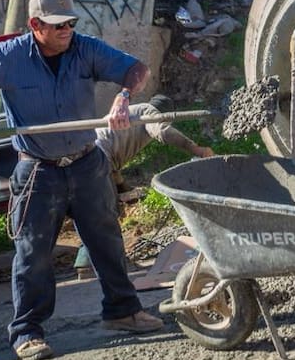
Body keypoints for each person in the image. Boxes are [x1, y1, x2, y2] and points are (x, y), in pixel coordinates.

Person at [0, 0, 165, 360]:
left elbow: (136, 69)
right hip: (38, 171)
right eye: (58, 25)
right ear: (35, 25)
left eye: (71, 22)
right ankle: (28, 332)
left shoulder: (86, 48)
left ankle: (123, 312)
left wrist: (123, 97)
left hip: (86, 162)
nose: (67, 30)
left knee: (107, 240)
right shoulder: (7, 57)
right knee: (33, 255)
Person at [73, 96, 214, 279]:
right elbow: (162, 132)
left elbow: (111, 161)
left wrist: (124, 188)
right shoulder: (147, 112)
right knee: (106, 214)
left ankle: (87, 263)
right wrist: (196, 149)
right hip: (98, 160)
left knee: (93, 212)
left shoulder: (130, 113)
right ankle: (100, 264)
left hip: (88, 159)